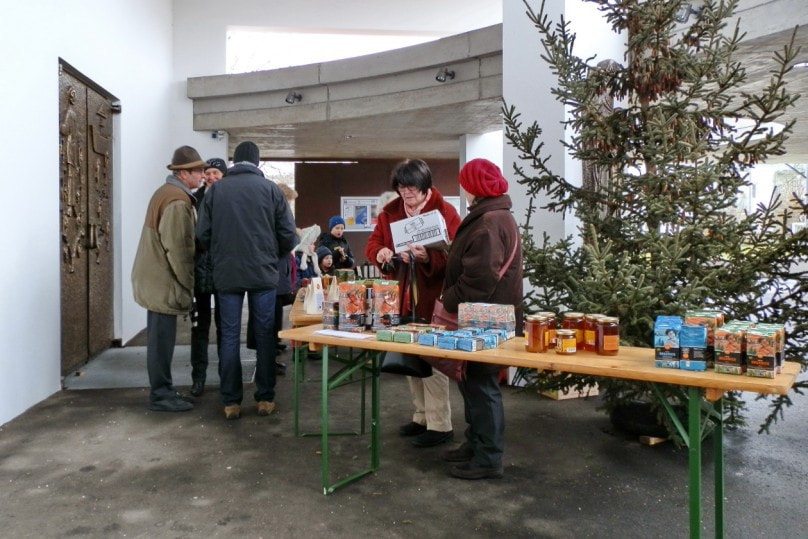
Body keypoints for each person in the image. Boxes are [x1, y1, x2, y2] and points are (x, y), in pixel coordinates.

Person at [196, 141, 297, 420]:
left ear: (235, 162)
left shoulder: (217, 190)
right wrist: (271, 255)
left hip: (227, 274)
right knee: (264, 334)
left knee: (229, 336)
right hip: (263, 274)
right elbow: (288, 235)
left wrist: (220, 254)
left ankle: (231, 402)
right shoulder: (271, 190)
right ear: (257, 161)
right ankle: (265, 397)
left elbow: (202, 233)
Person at [366, 159, 462, 447]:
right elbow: (373, 245)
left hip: (433, 298)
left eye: (412, 188)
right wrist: (382, 253)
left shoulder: (446, 212)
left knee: (432, 360)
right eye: (401, 187)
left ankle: (440, 425)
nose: (406, 193)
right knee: (409, 356)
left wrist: (428, 257)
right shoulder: (390, 212)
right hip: (402, 297)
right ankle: (421, 416)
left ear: (425, 186)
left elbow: (457, 256)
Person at [440, 158, 523, 480]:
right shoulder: (494, 216)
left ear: (473, 186)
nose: (462, 188)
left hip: (485, 318)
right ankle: (475, 444)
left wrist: (448, 298)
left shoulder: (488, 221)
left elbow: (481, 279)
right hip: (486, 314)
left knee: (482, 386)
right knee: (471, 381)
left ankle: (488, 458)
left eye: (465, 183)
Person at [131, 146, 206, 412]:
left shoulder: (167, 193)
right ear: (183, 173)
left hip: (155, 279)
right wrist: (188, 286)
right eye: (198, 171)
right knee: (161, 343)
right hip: (163, 281)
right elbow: (180, 250)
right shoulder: (177, 200)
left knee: (159, 340)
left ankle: (163, 391)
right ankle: (161, 395)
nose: (203, 175)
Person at [189, 157, 228, 397]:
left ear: (224, 175)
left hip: (223, 270)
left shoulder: (229, 198)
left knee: (225, 327)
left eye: (216, 173)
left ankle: (226, 377)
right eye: (209, 172)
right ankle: (198, 378)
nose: (212, 177)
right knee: (199, 328)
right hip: (200, 271)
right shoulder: (195, 199)